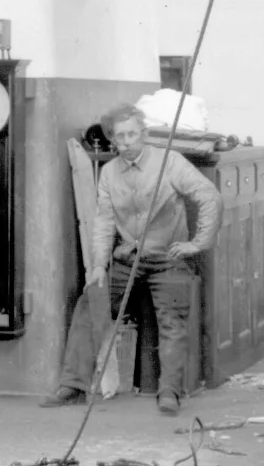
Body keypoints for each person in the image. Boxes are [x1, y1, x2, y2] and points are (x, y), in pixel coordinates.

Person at [41, 103, 222, 414]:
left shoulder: (170, 162)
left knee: (171, 320)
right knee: (90, 302)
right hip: (128, 260)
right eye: (118, 137)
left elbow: (210, 197)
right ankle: (74, 385)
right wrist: (98, 266)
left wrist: (198, 243)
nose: (124, 142)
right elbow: (103, 223)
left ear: (144, 134)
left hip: (168, 259)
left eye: (131, 134)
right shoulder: (110, 173)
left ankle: (170, 392)